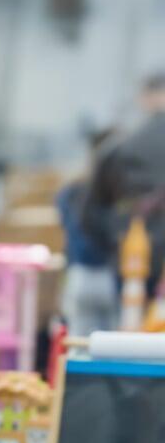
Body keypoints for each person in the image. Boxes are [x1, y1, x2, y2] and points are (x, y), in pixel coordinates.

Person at [82, 73, 165, 293]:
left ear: (145, 98)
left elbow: (91, 211)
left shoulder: (118, 147)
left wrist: (113, 243)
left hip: (131, 258)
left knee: (132, 322)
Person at [58, 128, 119, 337]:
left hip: (79, 274)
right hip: (110, 274)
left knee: (78, 348)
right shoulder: (114, 193)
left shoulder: (72, 191)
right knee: (116, 347)